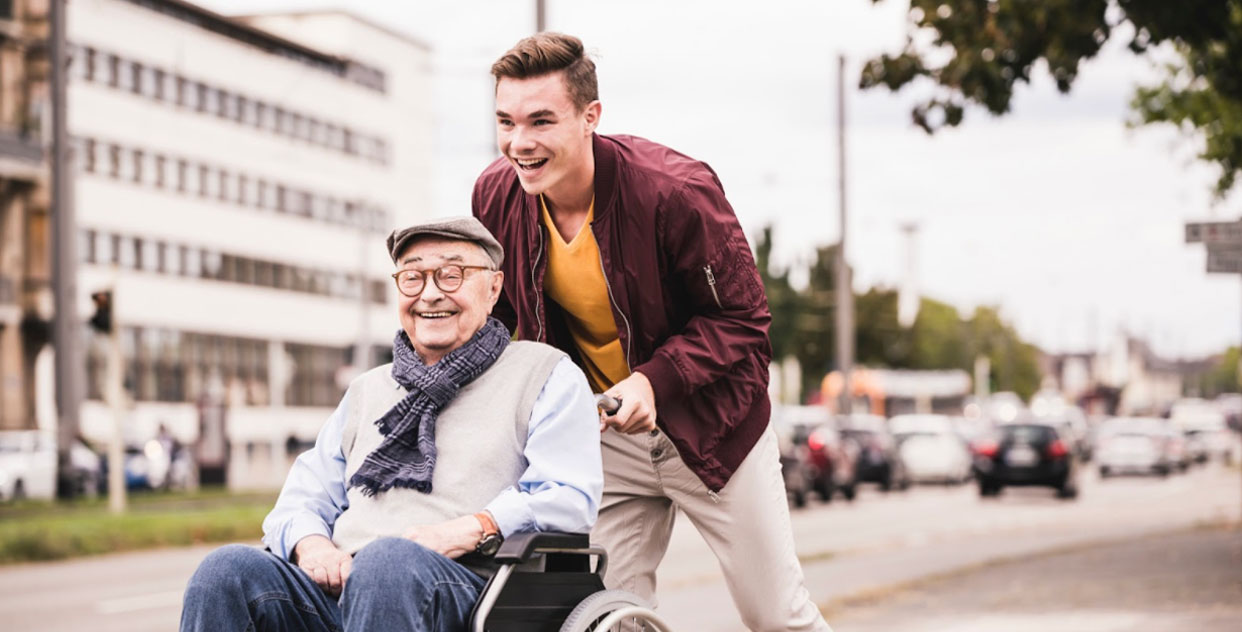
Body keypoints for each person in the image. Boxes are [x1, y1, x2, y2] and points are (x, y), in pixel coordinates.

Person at [474, 32, 831, 632]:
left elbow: (743, 319)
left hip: (714, 430)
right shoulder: (496, 195)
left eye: (541, 121)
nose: (520, 143)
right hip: (604, 438)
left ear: (592, 117)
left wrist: (652, 382)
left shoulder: (676, 191)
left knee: (777, 617)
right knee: (602, 620)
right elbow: (502, 319)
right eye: (506, 122)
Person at [180, 217, 603, 632]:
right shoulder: (368, 389)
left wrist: (473, 528)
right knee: (226, 572)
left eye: (452, 275)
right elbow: (301, 500)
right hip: (346, 586)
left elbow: (568, 495)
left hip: (478, 590)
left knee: (387, 565)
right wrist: (313, 546)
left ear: (494, 288)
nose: (431, 294)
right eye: (413, 278)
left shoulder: (544, 372)